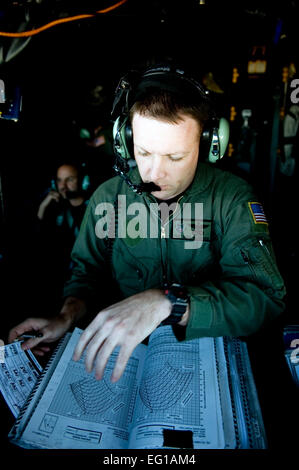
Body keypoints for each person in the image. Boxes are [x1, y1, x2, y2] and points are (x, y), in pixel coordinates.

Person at [8, 64, 286, 383]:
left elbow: (266, 298)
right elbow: (86, 274)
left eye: (176, 157)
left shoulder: (232, 198)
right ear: (126, 141)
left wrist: (169, 301)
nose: (155, 173)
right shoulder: (107, 198)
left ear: (210, 143)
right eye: (144, 152)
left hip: (206, 363)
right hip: (125, 363)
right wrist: (65, 315)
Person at [35, 162, 90, 294]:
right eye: (59, 180)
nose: (63, 186)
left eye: (69, 180)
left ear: (84, 181)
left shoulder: (94, 208)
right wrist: (42, 208)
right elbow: (38, 240)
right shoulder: (56, 209)